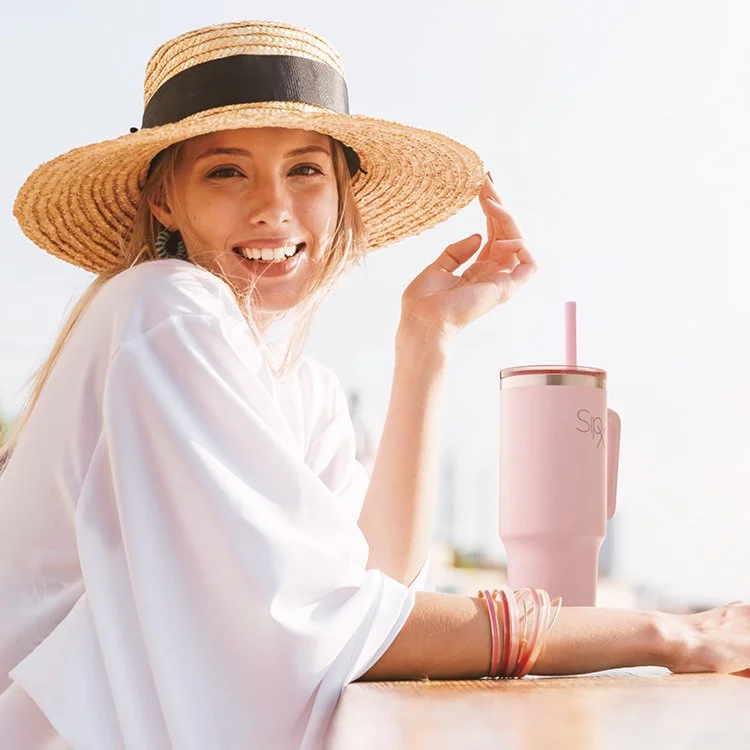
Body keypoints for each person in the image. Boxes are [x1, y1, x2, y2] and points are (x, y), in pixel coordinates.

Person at [0, 18, 748, 750]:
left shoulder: (302, 389)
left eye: (305, 170)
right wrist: (661, 634)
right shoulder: (163, 308)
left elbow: (375, 582)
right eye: (226, 170)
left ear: (341, 194)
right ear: (165, 200)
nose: (274, 207)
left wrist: (426, 340)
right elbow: (331, 621)